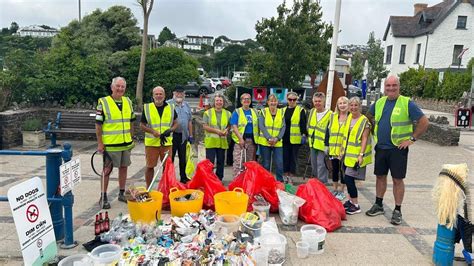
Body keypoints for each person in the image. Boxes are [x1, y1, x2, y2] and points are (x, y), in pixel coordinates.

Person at [365, 75, 429, 225]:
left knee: (397, 180)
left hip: (397, 149)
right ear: (384, 87)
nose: (391, 88)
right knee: (380, 177)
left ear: (399, 87)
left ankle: (397, 210)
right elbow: (368, 117)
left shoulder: (407, 103)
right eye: (388, 86)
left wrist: (412, 139)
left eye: (394, 85)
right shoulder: (379, 102)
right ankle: (378, 204)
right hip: (381, 147)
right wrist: (373, 129)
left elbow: (424, 122)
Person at [95, 77, 136, 209]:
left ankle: (122, 193)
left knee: (124, 168)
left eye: (122, 87)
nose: (120, 89)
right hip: (111, 145)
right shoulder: (103, 102)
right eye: (117, 86)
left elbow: (132, 120)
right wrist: (100, 143)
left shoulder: (128, 101)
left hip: (125, 143)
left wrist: (132, 137)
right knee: (107, 170)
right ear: (112, 87)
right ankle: (103, 196)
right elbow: (98, 125)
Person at [140, 86, 178, 188]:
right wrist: (152, 131)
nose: (158, 96)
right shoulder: (147, 107)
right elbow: (142, 125)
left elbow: (176, 123)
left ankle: (165, 188)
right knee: (150, 166)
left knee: (167, 167)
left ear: (164, 96)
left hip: (166, 143)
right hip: (152, 143)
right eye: (156, 94)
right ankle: (149, 188)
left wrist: (170, 130)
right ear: (153, 96)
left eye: (160, 94)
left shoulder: (170, 107)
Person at [341, 97, 372, 214]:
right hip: (347, 155)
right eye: (351, 105)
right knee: (346, 178)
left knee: (349, 179)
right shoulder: (349, 117)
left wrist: (361, 155)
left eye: (356, 105)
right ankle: (350, 201)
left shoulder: (365, 121)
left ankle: (356, 204)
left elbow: (364, 138)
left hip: (356, 156)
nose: (353, 108)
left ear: (360, 107)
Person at [167, 86, 193, 183]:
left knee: (183, 158)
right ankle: (170, 178)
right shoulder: (168, 104)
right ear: (174, 93)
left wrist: (191, 135)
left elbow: (190, 121)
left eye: (181, 93)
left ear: (184, 94)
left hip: (183, 136)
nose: (179, 95)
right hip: (172, 136)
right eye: (177, 93)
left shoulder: (186, 105)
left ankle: (183, 177)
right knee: (171, 158)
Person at [203, 94, 231, 180]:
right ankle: (209, 179)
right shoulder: (207, 113)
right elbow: (205, 126)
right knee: (210, 162)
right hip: (211, 141)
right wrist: (217, 131)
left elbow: (229, 125)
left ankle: (219, 179)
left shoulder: (228, 113)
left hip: (222, 142)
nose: (219, 102)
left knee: (221, 161)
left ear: (223, 102)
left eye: (220, 101)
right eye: (217, 101)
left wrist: (227, 130)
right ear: (214, 102)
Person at [258, 94, 286, 182]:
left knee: (279, 163)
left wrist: (277, 138)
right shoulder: (263, 111)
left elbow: (283, 127)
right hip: (265, 142)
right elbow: (261, 126)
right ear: (268, 102)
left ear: (277, 102)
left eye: (275, 101)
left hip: (278, 142)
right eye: (271, 101)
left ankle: (279, 181)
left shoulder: (281, 112)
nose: (273, 103)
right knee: (266, 164)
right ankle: (265, 182)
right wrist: (269, 138)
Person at [230, 93, 259, 177]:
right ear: (241, 101)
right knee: (238, 161)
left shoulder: (255, 111)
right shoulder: (237, 111)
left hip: (252, 140)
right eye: (244, 99)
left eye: (248, 99)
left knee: (249, 162)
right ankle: (237, 179)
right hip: (240, 140)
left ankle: (247, 180)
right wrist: (240, 138)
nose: (246, 100)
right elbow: (234, 125)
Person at [307, 92, 332, 183]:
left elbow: (330, 131)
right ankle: (316, 185)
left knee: (321, 166)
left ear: (324, 102)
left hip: (323, 145)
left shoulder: (330, 114)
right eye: (316, 101)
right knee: (314, 166)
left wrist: (327, 145)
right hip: (313, 144)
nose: (317, 103)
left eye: (319, 101)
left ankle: (322, 185)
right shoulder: (312, 111)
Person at [282, 92, 307, 184]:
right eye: (290, 99)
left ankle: (291, 177)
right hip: (284, 138)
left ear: (296, 100)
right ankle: (285, 176)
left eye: (294, 99)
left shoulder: (300, 110)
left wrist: (304, 135)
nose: (292, 101)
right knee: (285, 158)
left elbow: (303, 124)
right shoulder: (282, 110)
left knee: (293, 159)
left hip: (295, 139)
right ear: (287, 100)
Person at [328, 96, 350, 200]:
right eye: (340, 103)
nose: (342, 105)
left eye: (344, 103)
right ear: (337, 105)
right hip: (333, 149)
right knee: (334, 169)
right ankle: (335, 189)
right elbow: (328, 132)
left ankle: (342, 191)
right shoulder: (333, 116)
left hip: (344, 150)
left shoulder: (351, 117)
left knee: (343, 171)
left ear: (348, 104)